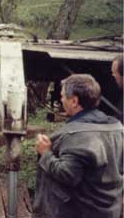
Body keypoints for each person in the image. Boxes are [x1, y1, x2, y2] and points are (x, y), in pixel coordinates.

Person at [33, 74, 123, 218]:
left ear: (74, 101)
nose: (61, 100)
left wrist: (46, 153)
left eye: (62, 96)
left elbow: (68, 175)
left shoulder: (76, 136)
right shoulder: (117, 128)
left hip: (81, 211)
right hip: (111, 209)